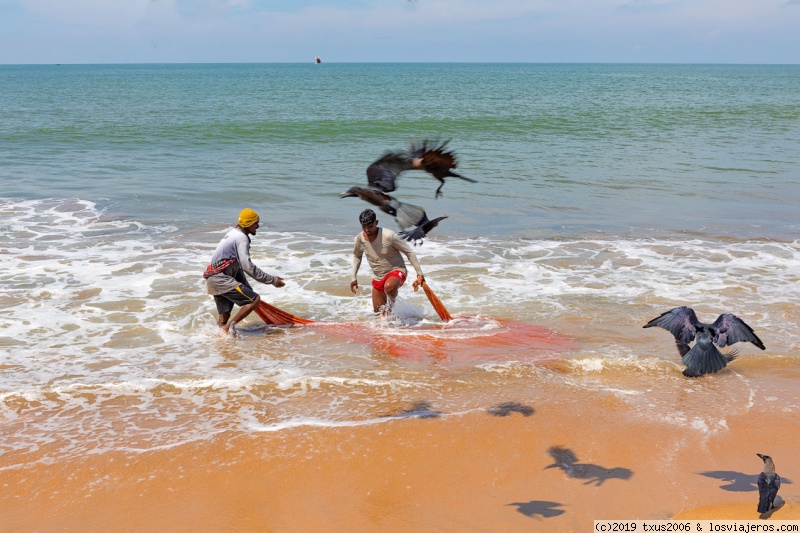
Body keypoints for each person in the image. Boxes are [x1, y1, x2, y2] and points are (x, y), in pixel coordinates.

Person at [203, 208, 285, 336]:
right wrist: (273, 280)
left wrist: (247, 288)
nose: (258, 226)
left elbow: (236, 266)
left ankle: (220, 340)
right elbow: (247, 266)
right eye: (256, 223)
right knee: (254, 300)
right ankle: (228, 329)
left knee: (224, 317)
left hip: (213, 279)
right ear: (248, 223)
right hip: (221, 279)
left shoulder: (232, 234)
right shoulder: (241, 238)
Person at [350, 208, 424, 315]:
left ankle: (389, 308)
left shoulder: (389, 236)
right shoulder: (359, 239)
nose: (367, 230)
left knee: (389, 289)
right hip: (378, 277)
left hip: (397, 271)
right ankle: (394, 321)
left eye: (370, 226)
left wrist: (419, 274)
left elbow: (409, 252)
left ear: (376, 222)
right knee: (377, 314)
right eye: (364, 227)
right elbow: (357, 256)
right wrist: (353, 277)